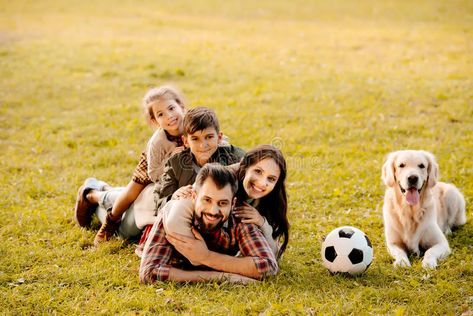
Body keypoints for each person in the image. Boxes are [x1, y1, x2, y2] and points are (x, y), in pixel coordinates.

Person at [73, 85, 186, 244]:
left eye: (172, 108)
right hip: (153, 168)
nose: (169, 116)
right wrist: (171, 161)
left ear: (181, 106)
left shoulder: (192, 123)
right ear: (155, 121)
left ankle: (99, 190)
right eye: (161, 114)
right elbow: (153, 174)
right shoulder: (157, 142)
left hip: (172, 174)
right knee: (129, 196)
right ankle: (107, 221)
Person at [139, 163, 278, 283]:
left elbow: (267, 267)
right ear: (194, 196)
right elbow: (149, 272)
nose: (213, 211)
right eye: (207, 200)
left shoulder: (240, 216)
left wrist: (205, 257)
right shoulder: (174, 214)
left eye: (222, 203)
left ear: (232, 203)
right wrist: (223, 277)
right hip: (145, 207)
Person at [135, 106, 245, 253]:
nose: (203, 145)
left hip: (214, 218)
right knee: (128, 228)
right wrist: (174, 196)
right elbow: (160, 197)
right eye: (195, 139)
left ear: (219, 137)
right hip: (149, 205)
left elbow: (252, 176)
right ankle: (98, 194)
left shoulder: (234, 157)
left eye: (209, 137)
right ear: (185, 141)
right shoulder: (175, 164)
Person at [163, 145, 289, 258]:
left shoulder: (271, 199)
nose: (262, 183)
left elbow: (274, 256)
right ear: (245, 166)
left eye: (271, 179)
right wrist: (202, 256)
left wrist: (262, 224)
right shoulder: (219, 179)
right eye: (258, 171)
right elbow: (175, 221)